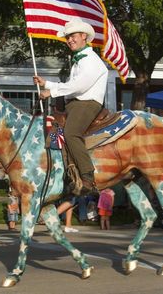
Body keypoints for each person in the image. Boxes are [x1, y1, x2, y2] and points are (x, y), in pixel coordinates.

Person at [33, 19, 108, 191]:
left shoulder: (91, 60)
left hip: (87, 103)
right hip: (75, 104)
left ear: (83, 36)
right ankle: (66, 170)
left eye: (73, 36)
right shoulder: (79, 61)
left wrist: (51, 92)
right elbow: (71, 84)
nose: (70, 40)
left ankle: (88, 176)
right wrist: (46, 84)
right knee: (55, 130)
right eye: (68, 37)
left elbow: (79, 86)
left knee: (71, 133)